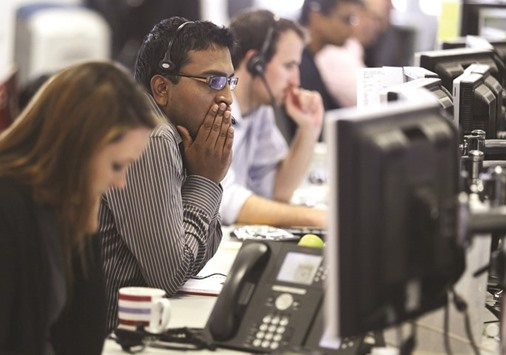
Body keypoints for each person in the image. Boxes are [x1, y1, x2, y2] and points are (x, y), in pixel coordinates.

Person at [0, 61, 157, 355]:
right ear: (77, 148)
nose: (121, 182)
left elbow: (85, 340)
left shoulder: (63, 204)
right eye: (116, 165)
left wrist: (87, 224)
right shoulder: (7, 208)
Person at [98, 17, 236, 332]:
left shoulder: (168, 132)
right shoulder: (151, 137)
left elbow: (199, 252)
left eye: (230, 81)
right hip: (109, 339)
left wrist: (200, 174)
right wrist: (206, 181)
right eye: (213, 81)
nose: (227, 97)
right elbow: (171, 275)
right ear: (162, 88)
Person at [221, 9, 326, 228]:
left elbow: (277, 192)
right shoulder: (213, 109)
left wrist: (309, 128)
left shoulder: (260, 109)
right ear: (254, 63)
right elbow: (224, 200)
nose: (296, 81)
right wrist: (319, 219)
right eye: (289, 66)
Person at [315, 0, 393, 107]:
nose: (379, 27)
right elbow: (372, 101)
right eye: (373, 18)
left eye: (381, 20)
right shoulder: (334, 51)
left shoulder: (354, 47)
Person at [298, 0, 364, 111]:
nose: (352, 29)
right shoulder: (299, 65)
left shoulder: (311, 59)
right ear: (316, 18)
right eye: (347, 20)